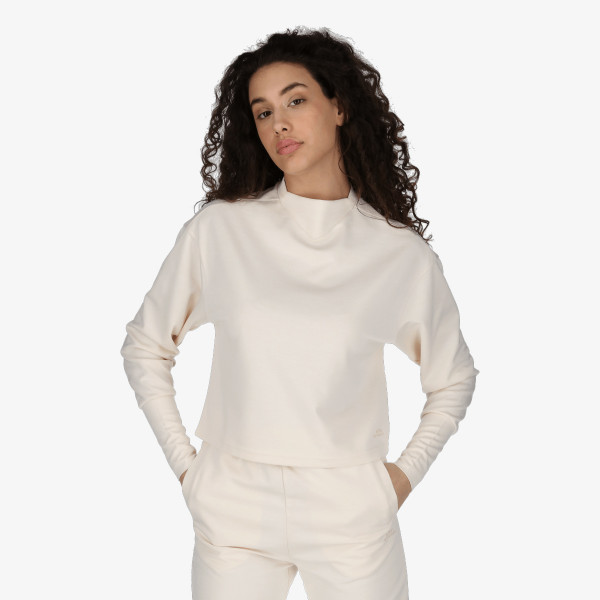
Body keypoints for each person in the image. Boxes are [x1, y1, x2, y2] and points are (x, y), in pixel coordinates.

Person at [120, 26, 480, 600]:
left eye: (295, 101)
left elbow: (454, 378)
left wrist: (399, 480)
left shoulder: (397, 253)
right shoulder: (221, 230)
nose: (279, 124)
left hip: (350, 512)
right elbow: (145, 345)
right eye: (263, 112)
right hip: (233, 504)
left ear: (339, 107)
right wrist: (189, 470)